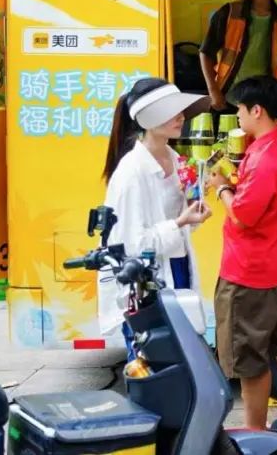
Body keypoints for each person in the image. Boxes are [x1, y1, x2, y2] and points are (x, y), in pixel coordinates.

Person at [208, 75, 277, 436]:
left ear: (257, 110)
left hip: (249, 271)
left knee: (249, 360)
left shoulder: (265, 157)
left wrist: (222, 188)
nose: (238, 116)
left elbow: (243, 215)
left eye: (240, 110)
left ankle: (255, 435)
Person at [100, 78, 213, 359]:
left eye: (181, 110)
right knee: (153, 363)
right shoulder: (130, 172)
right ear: (147, 118)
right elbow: (131, 246)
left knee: (181, 359)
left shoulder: (175, 159)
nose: (181, 117)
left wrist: (193, 212)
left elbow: (180, 224)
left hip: (177, 268)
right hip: (146, 283)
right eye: (171, 111)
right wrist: (180, 222)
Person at [200, 0, 277, 111]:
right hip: (227, 98)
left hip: (265, 101)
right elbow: (206, 53)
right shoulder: (230, 12)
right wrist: (213, 91)